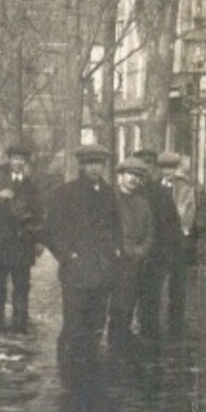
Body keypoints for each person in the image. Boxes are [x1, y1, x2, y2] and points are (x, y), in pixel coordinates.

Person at [44, 144, 122, 372]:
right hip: (76, 271)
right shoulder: (66, 193)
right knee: (73, 323)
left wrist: (114, 252)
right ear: (81, 165)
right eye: (90, 163)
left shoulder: (109, 194)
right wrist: (67, 255)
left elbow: (116, 228)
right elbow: (51, 231)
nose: (95, 168)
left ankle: (89, 369)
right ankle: (67, 371)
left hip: (102, 269)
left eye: (99, 164)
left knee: (97, 322)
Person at [0, 144, 44, 331]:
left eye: (21, 159)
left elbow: (38, 213)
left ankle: (20, 322)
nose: (18, 162)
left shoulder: (31, 185)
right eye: (15, 159)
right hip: (0, 242)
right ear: (9, 160)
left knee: (22, 285)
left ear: (25, 162)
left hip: (23, 242)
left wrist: (38, 240)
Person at [131, 149, 183, 340]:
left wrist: (169, 255)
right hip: (131, 257)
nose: (145, 170)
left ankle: (149, 343)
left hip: (155, 258)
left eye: (149, 166)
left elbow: (172, 226)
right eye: (141, 167)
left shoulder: (162, 194)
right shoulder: (128, 192)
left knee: (151, 302)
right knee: (127, 302)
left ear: (154, 169)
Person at [108, 157, 156, 349]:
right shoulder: (110, 199)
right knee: (114, 302)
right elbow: (104, 228)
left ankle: (123, 335)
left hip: (136, 258)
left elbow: (151, 231)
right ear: (120, 176)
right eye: (130, 174)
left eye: (137, 176)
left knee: (130, 300)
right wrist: (117, 248)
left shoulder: (142, 203)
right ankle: (113, 338)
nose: (133, 179)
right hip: (115, 258)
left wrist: (143, 249)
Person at [158, 151, 197, 331]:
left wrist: (185, 230)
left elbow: (189, 210)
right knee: (156, 280)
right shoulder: (155, 187)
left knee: (178, 282)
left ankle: (176, 320)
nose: (167, 172)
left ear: (176, 169)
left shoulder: (185, 187)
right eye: (164, 168)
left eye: (171, 168)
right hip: (159, 240)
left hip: (177, 240)